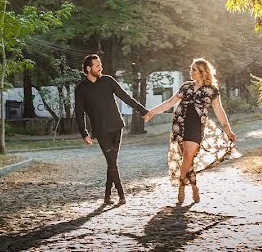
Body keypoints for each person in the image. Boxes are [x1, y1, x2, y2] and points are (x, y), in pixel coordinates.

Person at [144, 58, 240, 204]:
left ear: (202, 72)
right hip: (180, 124)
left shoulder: (211, 91)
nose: (190, 71)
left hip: (196, 126)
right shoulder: (186, 86)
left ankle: (181, 186)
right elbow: (170, 102)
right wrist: (152, 112)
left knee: (189, 156)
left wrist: (228, 130)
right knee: (185, 159)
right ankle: (194, 185)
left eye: (193, 69)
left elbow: (219, 111)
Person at [74, 53, 150, 205]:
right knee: (112, 161)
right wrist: (84, 133)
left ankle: (108, 195)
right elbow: (79, 112)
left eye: (100, 64)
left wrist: (142, 110)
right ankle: (121, 194)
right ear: (88, 69)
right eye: (97, 65)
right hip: (101, 131)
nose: (100, 67)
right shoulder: (81, 89)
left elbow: (125, 97)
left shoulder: (108, 81)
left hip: (117, 126)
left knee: (112, 162)